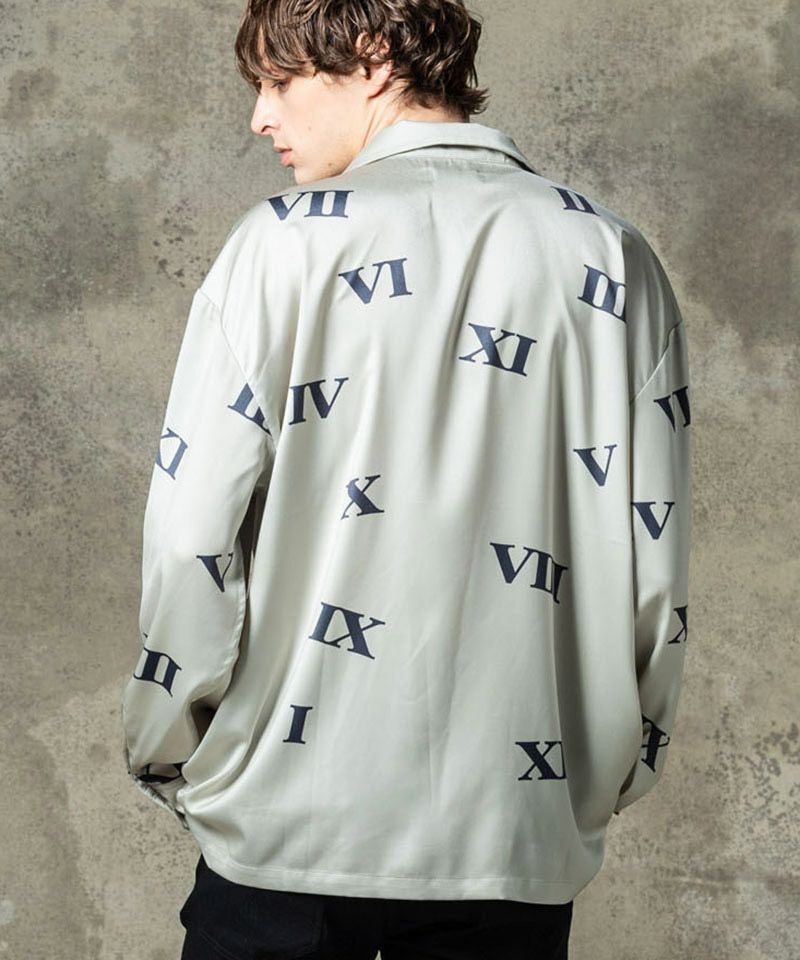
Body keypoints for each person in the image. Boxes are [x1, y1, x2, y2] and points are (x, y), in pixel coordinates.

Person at [119, 1, 693, 957]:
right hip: (514, 837)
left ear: (374, 56)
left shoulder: (279, 245)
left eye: (279, 81)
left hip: (285, 829)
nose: (260, 118)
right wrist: (602, 778)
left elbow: (191, 541)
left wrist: (172, 751)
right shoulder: (612, 255)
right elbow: (654, 565)